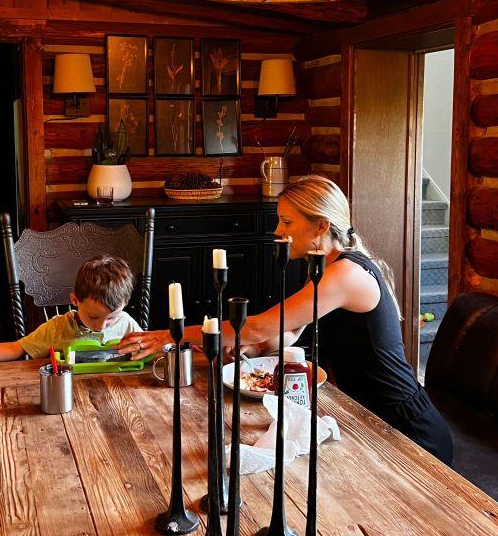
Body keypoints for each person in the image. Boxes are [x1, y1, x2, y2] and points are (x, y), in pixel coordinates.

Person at [121, 175, 453, 465]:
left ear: (321, 226)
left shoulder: (345, 275)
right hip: (367, 417)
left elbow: (259, 326)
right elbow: (289, 333)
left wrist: (171, 334)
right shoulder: (325, 268)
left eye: (287, 222)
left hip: (406, 428)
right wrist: (251, 349)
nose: (278, 231)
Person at [0, 256, 142, 368]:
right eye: (93, 317)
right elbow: (16, 348)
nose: (101, 327)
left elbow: (149, 352)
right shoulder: (57, 328)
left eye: (112, 318)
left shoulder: (127, 324)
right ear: (75, 300)